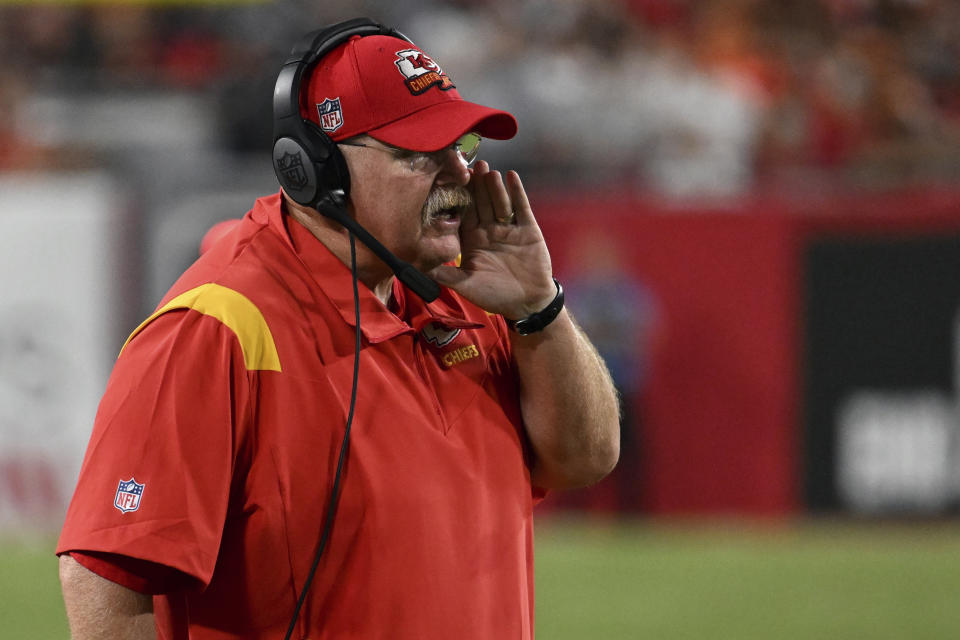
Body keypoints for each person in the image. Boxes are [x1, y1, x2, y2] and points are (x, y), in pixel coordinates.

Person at [56, 20, 620, 640]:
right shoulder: (218, 328)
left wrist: (539, 308)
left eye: (461, 146)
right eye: (419, 152)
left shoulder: (473, 294)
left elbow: (584, 459)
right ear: (314, 169)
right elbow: (109, 578)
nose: (458, 174)